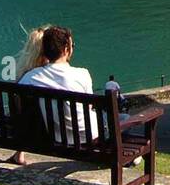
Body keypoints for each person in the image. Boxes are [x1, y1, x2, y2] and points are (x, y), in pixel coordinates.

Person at [20, 26, 101, 145]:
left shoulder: (30, 77)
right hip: (88, 136)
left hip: (56, 138)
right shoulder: (82, 74)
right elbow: (88, 107)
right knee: (124, 118)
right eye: (72, 46)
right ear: (66, 49)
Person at [8, 24, 52, 164]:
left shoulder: (23, 79)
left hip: (25, 133)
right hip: (51, 135)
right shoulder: (52, 77)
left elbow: (21, 117)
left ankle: (19, 153)